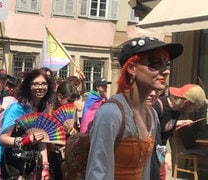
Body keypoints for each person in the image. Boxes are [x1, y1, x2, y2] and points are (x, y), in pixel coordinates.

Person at [85, 36, 183, 179]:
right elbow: (97, 172)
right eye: (155, 63)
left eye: (166, 63)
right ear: (132, 68)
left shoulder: (151, 115)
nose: (166, 70)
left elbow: (146, 171)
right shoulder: (111, 113)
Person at [152, 84, 208, 179]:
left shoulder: (177, 110)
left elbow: (164, 128)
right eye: (194, 108)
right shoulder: (157, 107)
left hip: (159, 151)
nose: (193, 111)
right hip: (148, 154)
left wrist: (180, 123)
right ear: (186, 102)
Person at [48, 81, 80, 180]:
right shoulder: (50, 110)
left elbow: (74, 129)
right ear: (59, 97)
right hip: (53, 154)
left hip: (67, 154)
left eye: (73, 101)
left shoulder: (72, 110)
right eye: (69, 101)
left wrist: (74, 132)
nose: (71, 104)